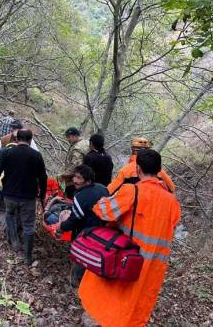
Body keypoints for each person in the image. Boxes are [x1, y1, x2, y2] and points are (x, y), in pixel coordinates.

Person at [78, 149, 180, 327]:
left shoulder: (132, 191)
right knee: (136, 305)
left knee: (113, 295)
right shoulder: (172, 202)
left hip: (125, 256)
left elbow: (102, 211)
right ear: (159, 170)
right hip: (152, 267)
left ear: (138, 169)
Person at [0, 129, 47, 264]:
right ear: (30, 141)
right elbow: (43, 178)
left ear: (17, 139)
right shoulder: (36, 155)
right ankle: (27, 257)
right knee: (28, 225)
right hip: (29, 196)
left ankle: (14, 242)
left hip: (10, 195)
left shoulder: (7, 152)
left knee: (10, 216)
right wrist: (42, 196)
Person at [55, 165, 108, 287]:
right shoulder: (102, 189)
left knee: (81, 257)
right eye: (75, 176)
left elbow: (74, 220)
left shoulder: (81, 196)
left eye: (79, 178)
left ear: (88, 181)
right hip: (103, 231)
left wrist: (61, 227)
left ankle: (77, 283)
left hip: (86, 233)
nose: (74, 180)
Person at [108, 137, 175, 194]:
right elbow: (171, 189)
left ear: (133, 150)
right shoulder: (159, 171)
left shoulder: (125, 171)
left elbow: (109, 191)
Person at [59, 127, 89, 199]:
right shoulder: (86, 143)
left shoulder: (77, 147)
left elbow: (75, 166)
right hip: (85, 180)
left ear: (75, 136)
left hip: (74, 182)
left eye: (69, 137)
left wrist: (63, 175)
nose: (68, 139)